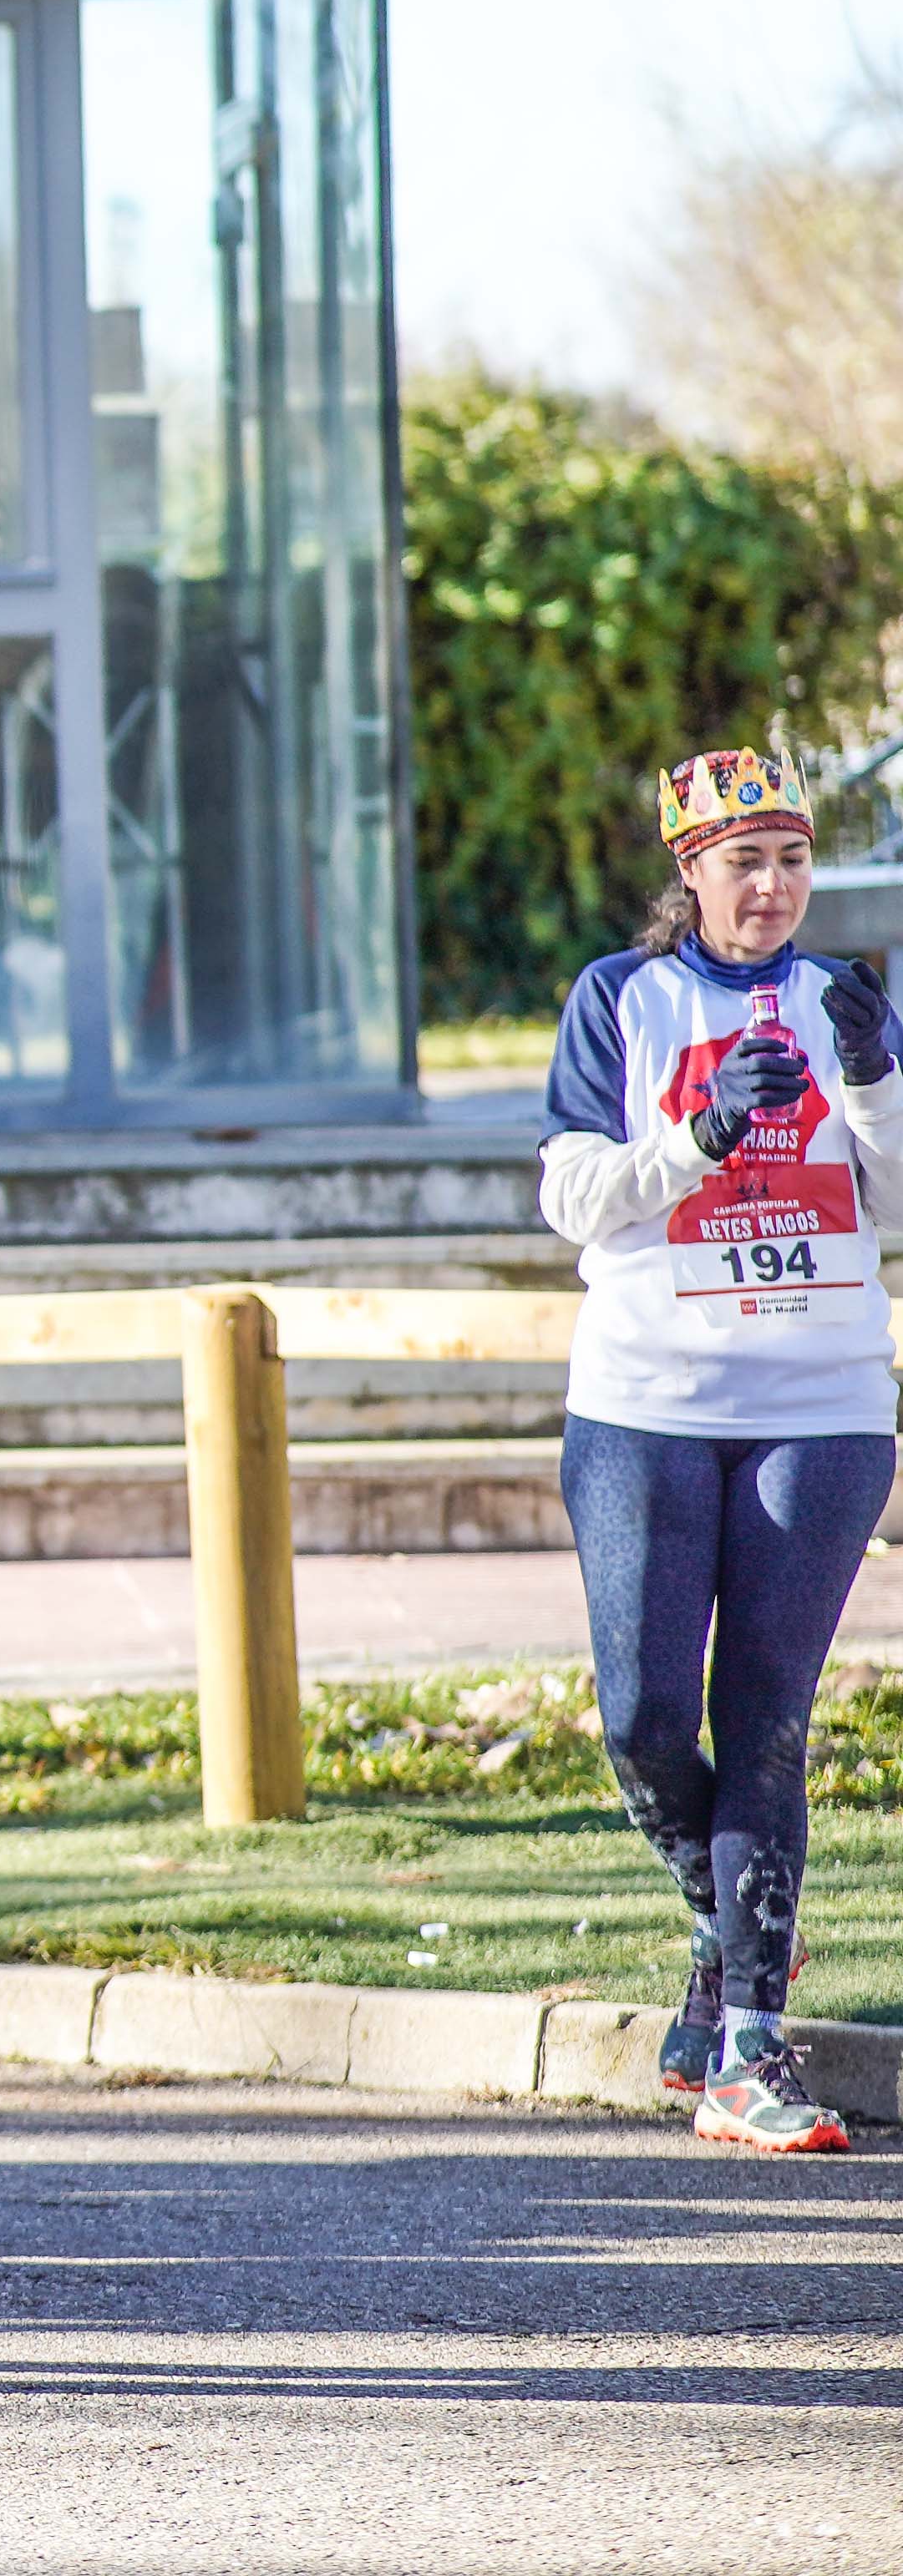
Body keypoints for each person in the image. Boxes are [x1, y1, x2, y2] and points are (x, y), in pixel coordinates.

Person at [538, 747, 903, 2155]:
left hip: (820, 1403)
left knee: (763, 1723)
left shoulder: (844, 1004)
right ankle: (722, 1935)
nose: (771, 885)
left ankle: (753, 2046)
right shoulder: (621, 1000)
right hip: (646, 1404)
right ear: (688, 873)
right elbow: (574, 1195)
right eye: (742, 860)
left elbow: (895, 1189)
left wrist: (870, 1081)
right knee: (639, 1716)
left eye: (793, 859)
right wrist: (697, 1136)